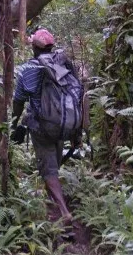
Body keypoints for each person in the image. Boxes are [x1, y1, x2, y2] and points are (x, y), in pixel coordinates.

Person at [11, 29, 84, 223]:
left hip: (42, 128)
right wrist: (77, 132)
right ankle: (53, 200)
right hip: (64, 126)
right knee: (53, 166)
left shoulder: (28, 70)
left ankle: (63, 211)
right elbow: (78, 96)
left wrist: (13, 124)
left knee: (49, 170)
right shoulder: (64, 64)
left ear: (34, 48)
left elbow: (18, 101)